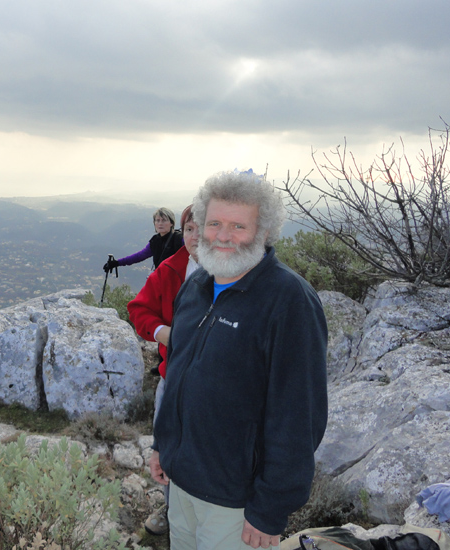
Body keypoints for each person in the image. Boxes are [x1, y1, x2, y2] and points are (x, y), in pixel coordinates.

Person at [149, 170, 328, 549]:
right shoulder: (195, 288)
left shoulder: (289, 302)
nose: (223, 236)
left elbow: (299, 417)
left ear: (264, 231)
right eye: (213, 223)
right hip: (181, 486)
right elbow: (178, 376)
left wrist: (269, 510)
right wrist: (162, 445)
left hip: (235, 504)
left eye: (238, 226)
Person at [127, 204, 203, 536]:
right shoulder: (171, 269)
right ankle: (171, 507)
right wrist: (165, 334)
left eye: (203, 228)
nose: (196, 236)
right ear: (181, 232)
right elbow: (138, 309)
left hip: (217, 386)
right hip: (173, 379)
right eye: (189, 229)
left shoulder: (235, 271)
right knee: (168, 450)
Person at [104, 207, 183, 274]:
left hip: (178, 284)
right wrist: (117, 263)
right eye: (157, 220)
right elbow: (139, 256)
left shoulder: (180, 239)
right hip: (161, 281)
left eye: (164, 220)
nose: (160, 223)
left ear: (171, 223)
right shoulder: (155, 241)